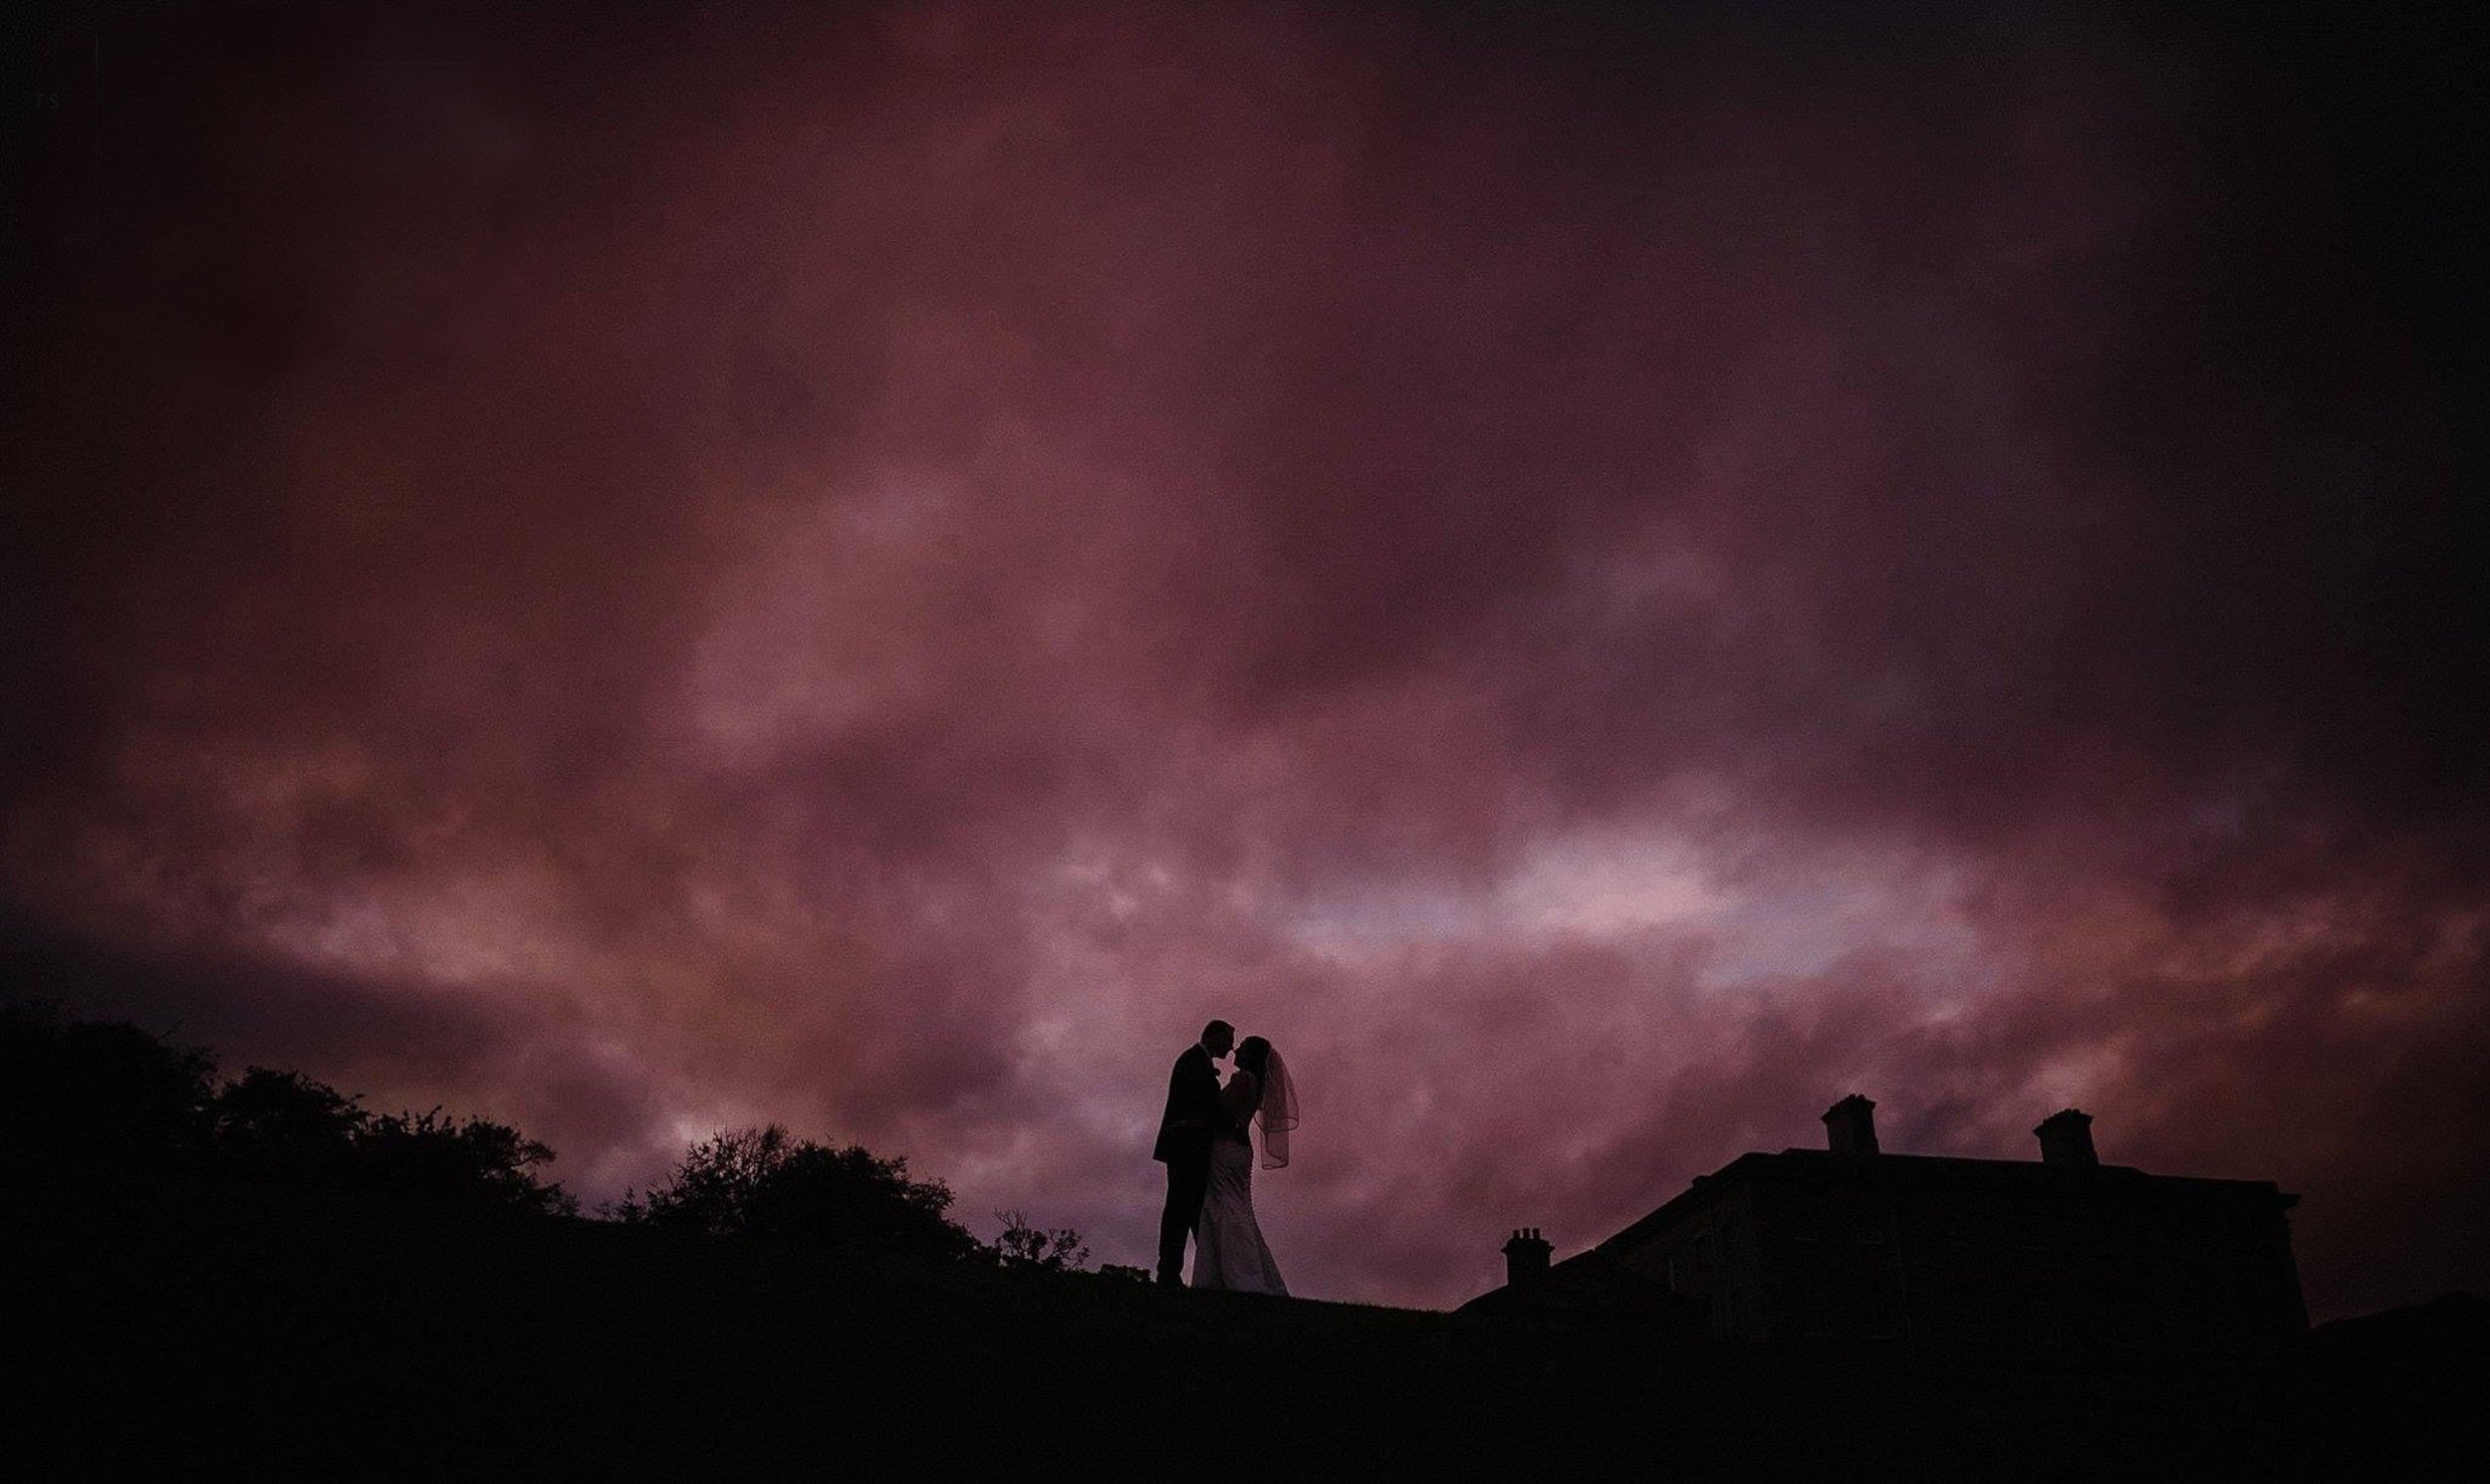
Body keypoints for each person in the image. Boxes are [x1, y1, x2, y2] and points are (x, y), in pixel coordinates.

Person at [1190, 1035, 1298, 1295]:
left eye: (1242, 1048)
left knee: (1224, 1207)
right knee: (1235, 1207)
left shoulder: (1243, 1080)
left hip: (1226, 1148)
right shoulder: (1258, 1083)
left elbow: (1222, 1112)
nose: (1236, 1050)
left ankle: (1237, 1276)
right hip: (1239, 1150)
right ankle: (1236, 1274)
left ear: (1249, 1056)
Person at [1152, 1019, 1235, 1285]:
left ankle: (1195, 1270)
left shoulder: (1197, 1061)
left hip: (1189, 1147)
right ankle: (1170, 1270)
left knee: (1190, 1209)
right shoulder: (1192, 1061)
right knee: (1181, 1208)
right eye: (1228, 1040)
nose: (1231, 1048)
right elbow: (1202, 1107)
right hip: (1185, 1147)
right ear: (1213, 1036)